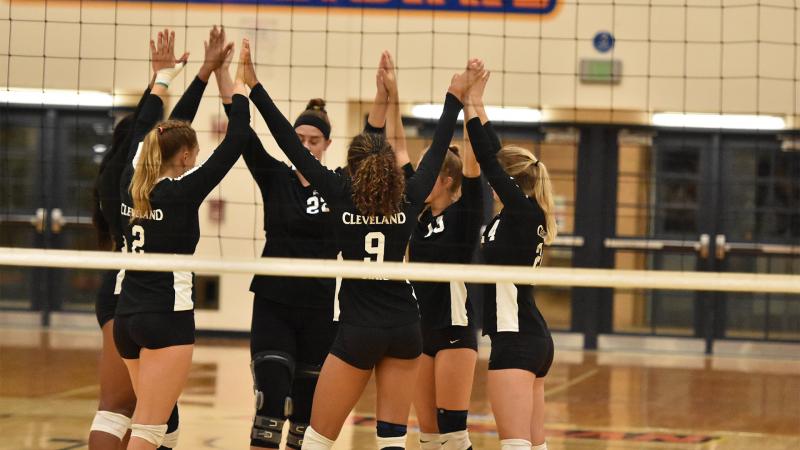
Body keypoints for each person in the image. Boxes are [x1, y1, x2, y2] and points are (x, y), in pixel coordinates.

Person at [242, 46, 483, 450]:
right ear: (390, 167)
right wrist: (455, 98)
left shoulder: (339, 191)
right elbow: (438, 150)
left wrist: (254, 86)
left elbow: (290, 145)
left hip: (358, 328)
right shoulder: (408, 196)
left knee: (318, 438)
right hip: (406, 327)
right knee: (392, 438)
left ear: (352, 166)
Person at [89, 25, 231, 450]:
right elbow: (172, 130)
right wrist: (194, 76)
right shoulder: (149, 178)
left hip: (119, 293)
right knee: (142, 414)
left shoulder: (122, 178)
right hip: (148, 297)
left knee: (132, 411)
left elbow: (168, 128)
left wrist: (174, 77)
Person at [211, 31, 340, 450]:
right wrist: (223, 77)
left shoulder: (340, 185)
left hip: (319, 305)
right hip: (273, 302)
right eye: (298, 139)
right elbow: (242, 132)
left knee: (305, 411)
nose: (303, 147)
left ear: (327, 145)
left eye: (312, 141)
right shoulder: (275, 176)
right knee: (271, 396)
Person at [465, 72, 558, 450]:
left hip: (517, 339)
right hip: (528, 336)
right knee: (533, 447)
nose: (491, 182)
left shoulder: (522, 213)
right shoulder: (520, 213)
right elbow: (496, 151)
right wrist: (478, 102)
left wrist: (467, 105)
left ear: (511, 182)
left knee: (516, 445)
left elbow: (489, 160)